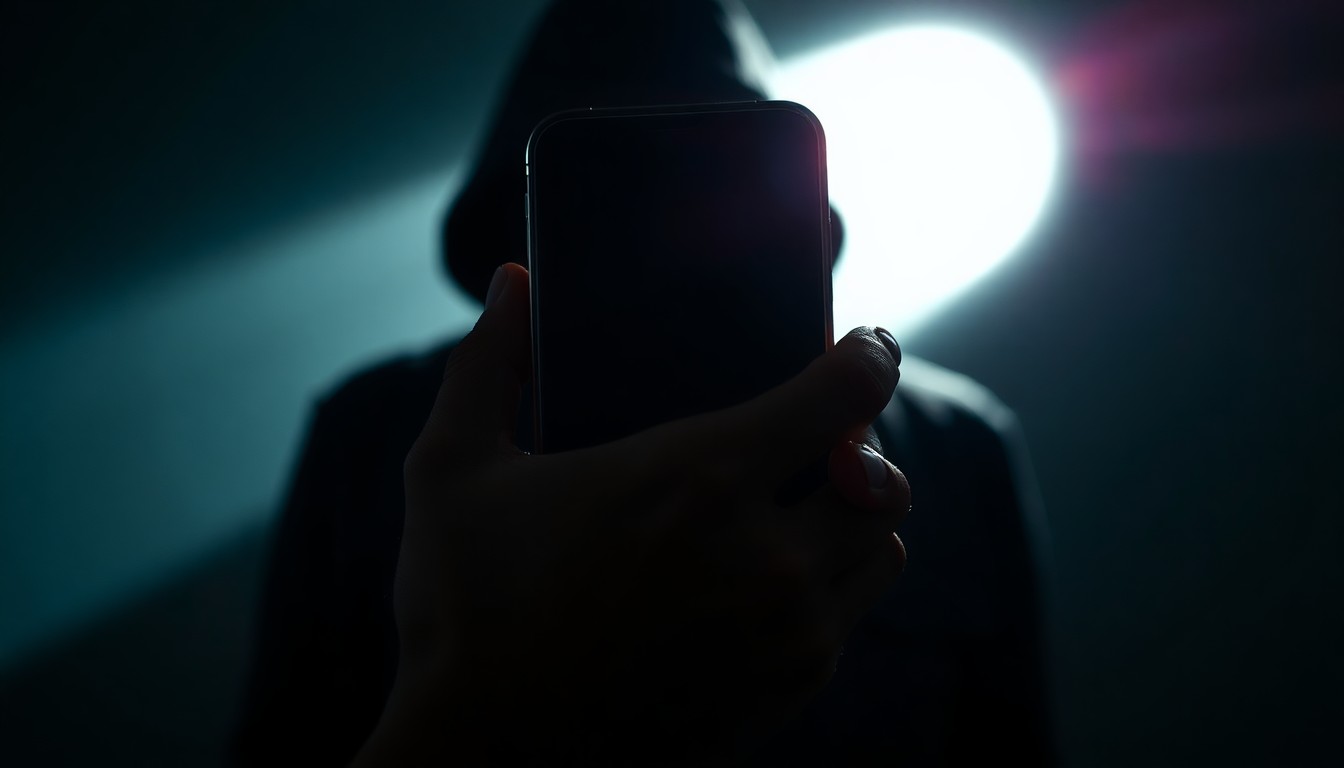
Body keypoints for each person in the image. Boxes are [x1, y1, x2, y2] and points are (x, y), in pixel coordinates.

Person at [232, 1, 1055, 764]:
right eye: (614, 196)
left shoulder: (957, 446)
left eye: (711, 186)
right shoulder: (373, 431)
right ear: (526, 217)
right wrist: (481, 708)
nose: (671, 241)